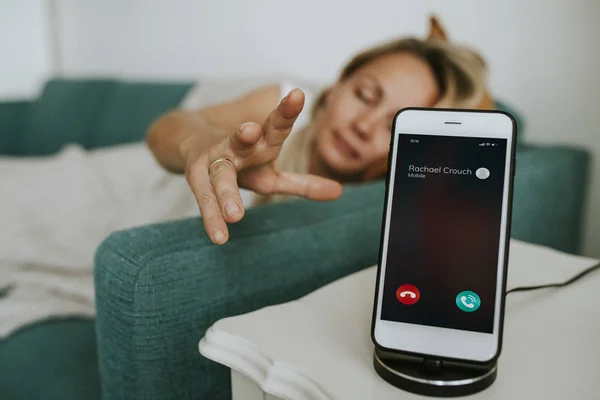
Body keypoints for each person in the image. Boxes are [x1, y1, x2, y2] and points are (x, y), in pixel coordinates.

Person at [146, 37, 491, 245]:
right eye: (365, 95)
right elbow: (163, 130)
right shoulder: (284, 108)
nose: (364, 125)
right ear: (337, 84)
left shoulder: (386, 199)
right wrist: (198, 146)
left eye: (393, 125)